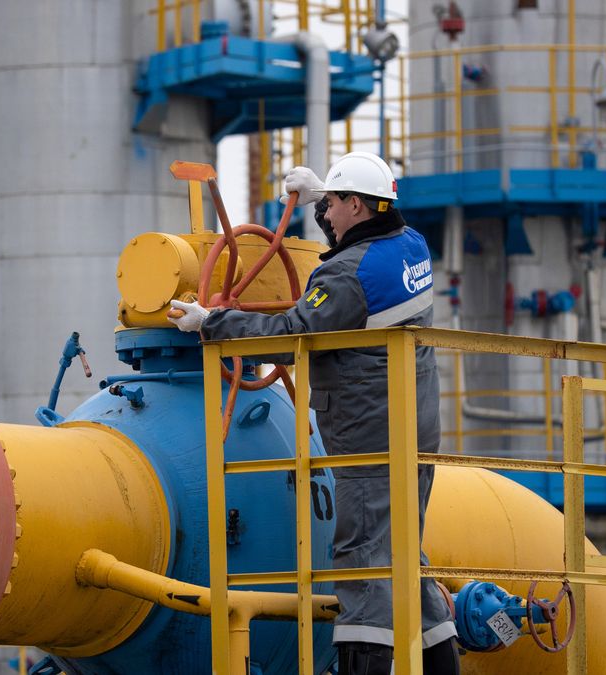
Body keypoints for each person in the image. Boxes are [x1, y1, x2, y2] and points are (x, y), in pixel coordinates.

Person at [168, 152, 459, 674]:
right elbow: (358, 244)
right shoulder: (411, 246)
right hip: (415, 432)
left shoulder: (345, 276)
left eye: (335, 204)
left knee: (363, 561)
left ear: (358, 205)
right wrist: (324, 192)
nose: (329, 215)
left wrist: (211, 322)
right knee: (403, 558)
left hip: (369, 442)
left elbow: (290, 334)